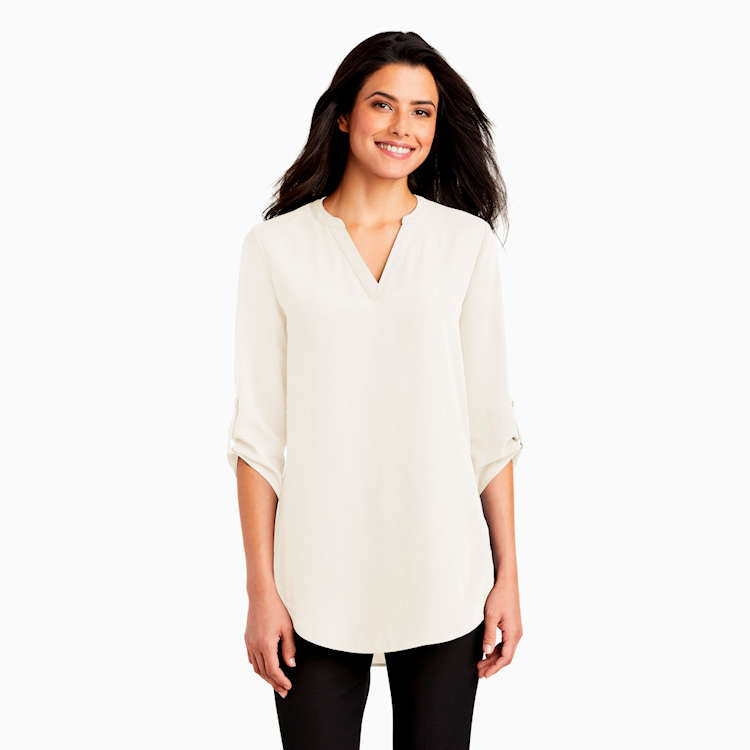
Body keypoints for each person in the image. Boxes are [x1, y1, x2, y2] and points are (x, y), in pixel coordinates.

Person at [227, 30, 525, 750]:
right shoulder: (276, 248)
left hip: (445, 573)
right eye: (383, 105)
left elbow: (490, 427)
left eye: (422, 111)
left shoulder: (465, 245)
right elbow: (257, 438)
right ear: (343, 115)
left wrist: (508, 576)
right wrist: (261, 591)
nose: (403, 127)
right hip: (315, 582)